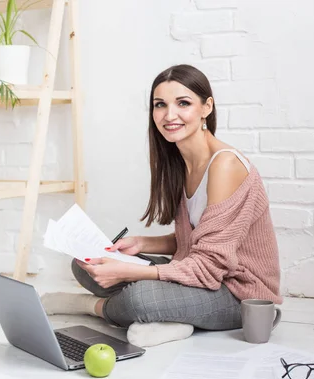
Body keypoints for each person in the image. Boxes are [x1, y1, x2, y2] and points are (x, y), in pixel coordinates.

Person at [42, 64, 282, 347]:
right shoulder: (183, 162)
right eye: (160, 105)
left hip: (237, 293)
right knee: (84, 263)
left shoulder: (225, 165)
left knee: (140, 297)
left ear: (207, 107)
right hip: (200, 274)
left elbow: (209, 264)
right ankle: (173, 319)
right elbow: (195, 239)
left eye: (183, 103)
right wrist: (140, 244)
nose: (169, 115)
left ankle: (91, 306)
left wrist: (129, 271)